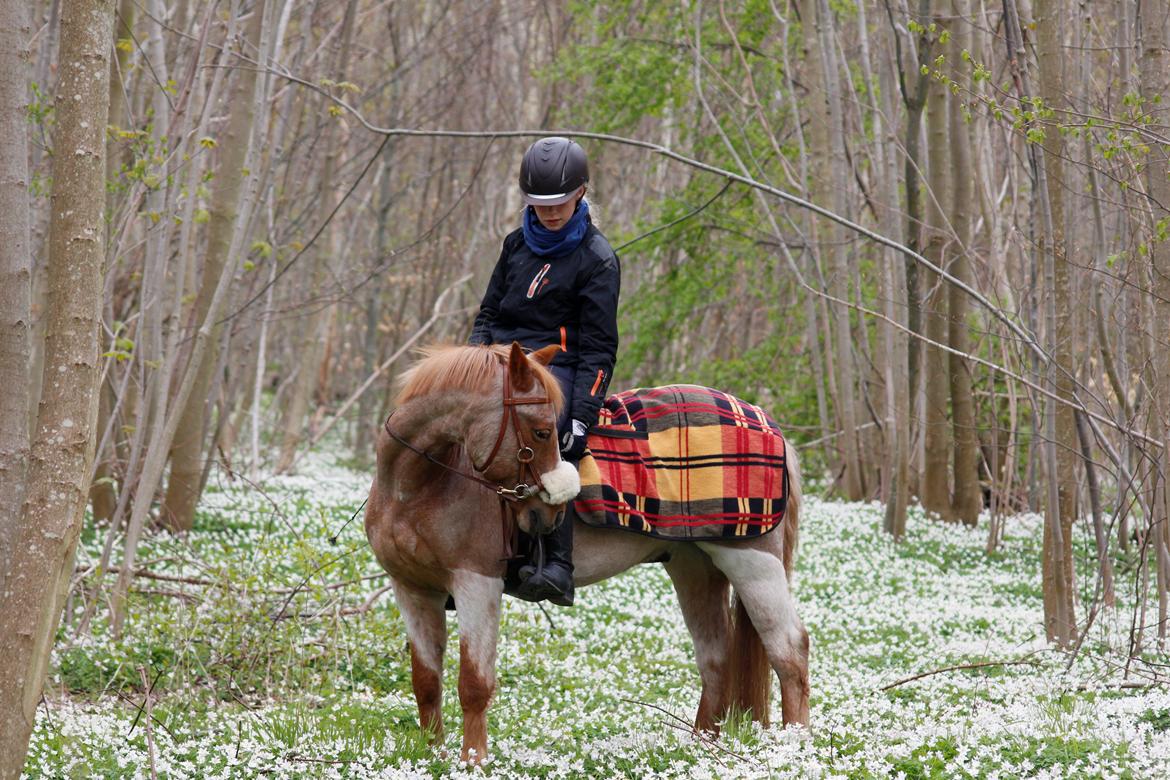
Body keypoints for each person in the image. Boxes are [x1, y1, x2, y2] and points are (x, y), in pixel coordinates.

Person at [469, 137, 620, 606]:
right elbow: (488, 314)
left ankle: (554, 563)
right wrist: (473, 361)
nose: (549, 212)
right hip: (504, 358)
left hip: (561, 366)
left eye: (558, 203)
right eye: (538, 204)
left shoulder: (598, 259)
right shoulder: (515, 245)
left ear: (580, 193)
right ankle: (459, 551)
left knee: (545, 431)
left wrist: (580, 416)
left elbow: (599, 348)